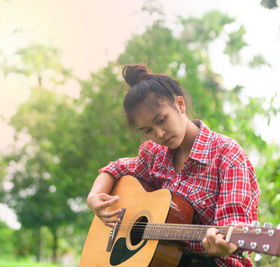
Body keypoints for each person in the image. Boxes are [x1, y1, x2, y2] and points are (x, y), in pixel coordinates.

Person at [86, 64, 260, 267]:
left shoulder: (227, 154)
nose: (159, 134)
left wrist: (224, 245)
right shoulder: (154, 154)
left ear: (180, 104)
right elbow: (115, 169)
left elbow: (234, 228)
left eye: (161, 120)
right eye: (148, 130)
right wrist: (94, 197)